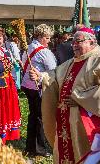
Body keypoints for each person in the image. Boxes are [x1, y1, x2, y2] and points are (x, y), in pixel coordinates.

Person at [29, 27, 100, 163]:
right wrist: (41, 76)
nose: (74, 45)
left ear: (91, 42)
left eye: (78, 42)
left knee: (82, 152)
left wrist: (80, 99)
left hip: (83, 120)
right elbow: (55, 76)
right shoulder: (73, 61)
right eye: (73, 42)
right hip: (65, 117)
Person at [21, 24, 57, 157]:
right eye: (47, 38)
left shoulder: (29, 47)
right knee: (40, 118)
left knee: (33, 116)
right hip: (38, 87)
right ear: (40, 37)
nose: (49, 40)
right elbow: (53, 70)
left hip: (27, 86)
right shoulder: (44, 51)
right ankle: (39, 149)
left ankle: (30, 146)